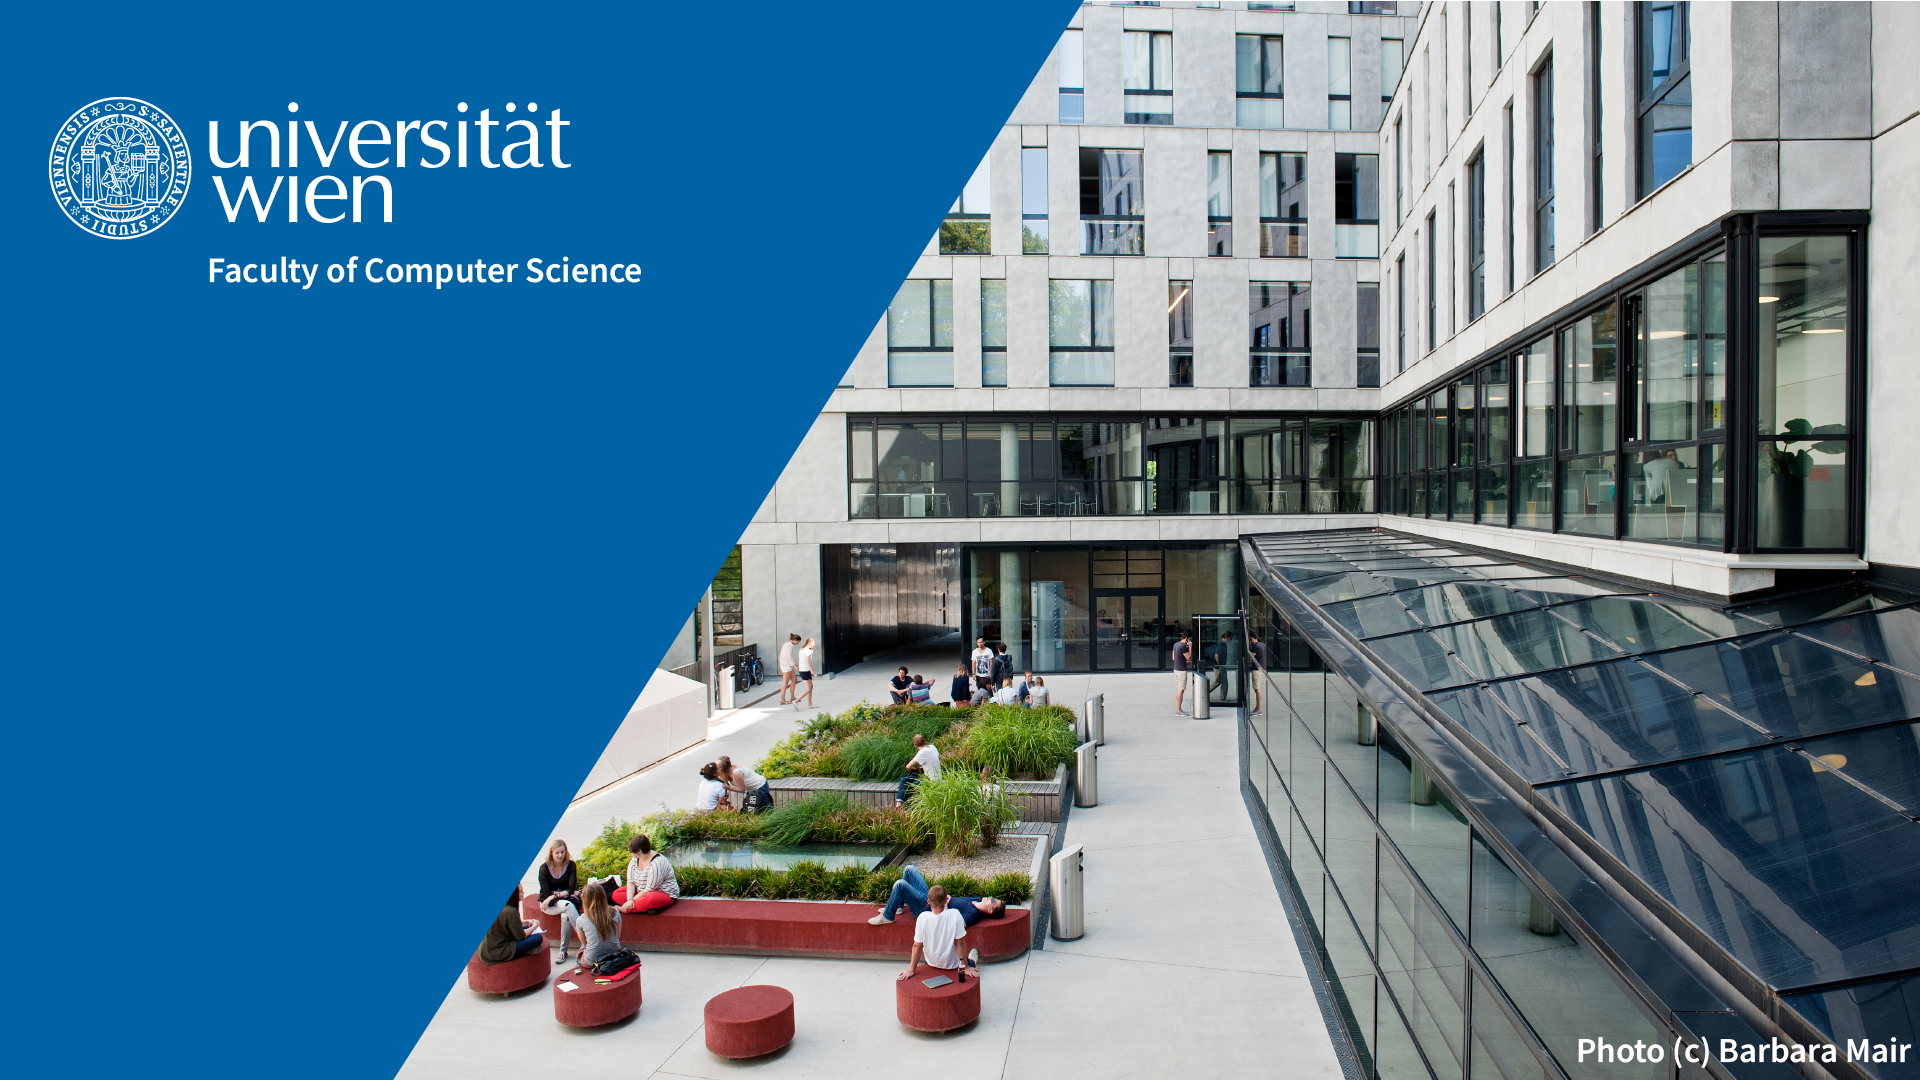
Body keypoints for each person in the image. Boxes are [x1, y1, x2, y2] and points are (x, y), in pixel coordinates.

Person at [870, 864, 1010, 926]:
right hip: (931, 897)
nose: (991, 898)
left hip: (925, 908)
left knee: (900, 884)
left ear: (990, 910)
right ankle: (897, 907)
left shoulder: (973, 914)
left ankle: (888, 916)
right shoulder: (976, 899)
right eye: (994, 898)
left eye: (993, 901)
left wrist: (946, 905)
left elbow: (953, 923)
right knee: (909, 869)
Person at [898, 887, 977, 983]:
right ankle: (972, 958)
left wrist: (911, 970)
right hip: (953, 964)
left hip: (931, 962)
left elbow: (917, 945)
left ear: (928, 901)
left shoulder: (922, 917)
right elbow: (960, 943)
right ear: (945, 901)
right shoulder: (955, 914)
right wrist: (967, 967)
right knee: (970, 961)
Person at [537, 839, 583, 962]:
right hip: (548, 905)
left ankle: (563, 952)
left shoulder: (571, 865)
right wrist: (558, 895)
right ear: (551, 853)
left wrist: (555, 895)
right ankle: (585, 941)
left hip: (562, 901)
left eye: (562, 852)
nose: (560, 855)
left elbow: (571, 888)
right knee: (568, 906)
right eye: (557, 853)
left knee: (565, 915)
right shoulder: (544, 868)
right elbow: (546, 894)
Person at [613, 834, 680, 914]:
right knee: (616, 894)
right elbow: (631, 882)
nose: (631, 854)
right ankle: (641, 907)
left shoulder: (657, 863)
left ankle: (625, 909)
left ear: (639, 852)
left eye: (631, 852)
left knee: (649, 899)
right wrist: (629, 900)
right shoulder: (635, 860)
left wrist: (632, 900)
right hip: (640, 891)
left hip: (662, 892)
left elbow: (650, 889)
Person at [478, 884, 545, 964]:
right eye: (520, 892)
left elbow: (502, 924)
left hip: (486, 948)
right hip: (497, 951)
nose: (523, 892)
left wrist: (524, 922)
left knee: (527, 926)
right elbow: (521, 936)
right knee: (538, 938)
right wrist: (534, 926)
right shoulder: (511, 911)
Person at [571, 882, 625, 968]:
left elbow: (584, 944)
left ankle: (577, 967)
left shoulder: (581, 919)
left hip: (592, 961)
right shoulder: (615, 912)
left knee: (581, 951)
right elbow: (617, 936)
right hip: (614, 956)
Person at [1171, 629, 1193, 715]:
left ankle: (1178, 708)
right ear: (1187, 638)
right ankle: (1178, 710)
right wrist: (1190, 647)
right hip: (1181, 671)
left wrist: (1182, 661)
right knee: (1181, 690)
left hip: (1176, 669)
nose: (1190, 641)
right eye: (1189, 639)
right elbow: (1188, 657)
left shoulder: (1176, 644)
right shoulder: (1183, 647)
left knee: (1179, 689)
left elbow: (1174, 657)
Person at [792, 637, 817, 710]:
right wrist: (813, 672)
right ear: (809, 642)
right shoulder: (808, 651)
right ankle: (796, 701)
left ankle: (810, 703)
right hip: (805, 671)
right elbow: (808, 663)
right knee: (808, 689)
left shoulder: (802, 650)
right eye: (813, 643)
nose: (814, 645)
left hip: (802, 670)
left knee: (810, 687)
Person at [778, 633, 800, 705]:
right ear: (794, 640)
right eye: (798, 642)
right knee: (785, 683)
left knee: (794, 679)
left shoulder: (785, 644)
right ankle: (782, 700)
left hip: (785, 665)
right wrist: (795, 666)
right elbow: (789, 656)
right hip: (787, 666)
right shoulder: (790, 645)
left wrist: (780, 665)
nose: (797, 643)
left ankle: (792, 697)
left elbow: (781, 656)